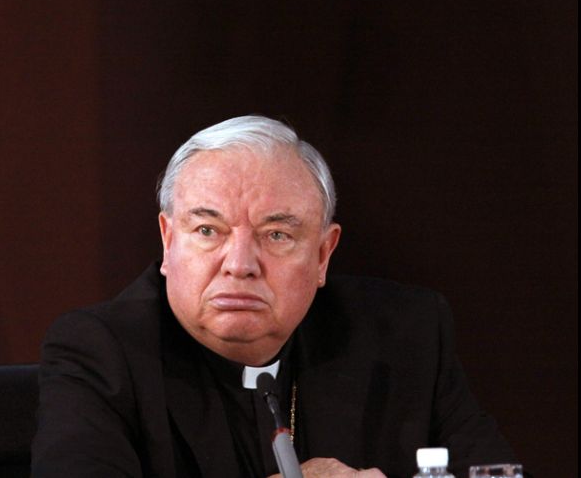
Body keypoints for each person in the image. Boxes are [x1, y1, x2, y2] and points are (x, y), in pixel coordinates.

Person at [31, 115, 522, 478]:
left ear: (324, 254)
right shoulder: (100, 352)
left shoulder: (404, 334)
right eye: (208, 230)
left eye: (277, 235)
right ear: (168, 240)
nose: (240, 263)